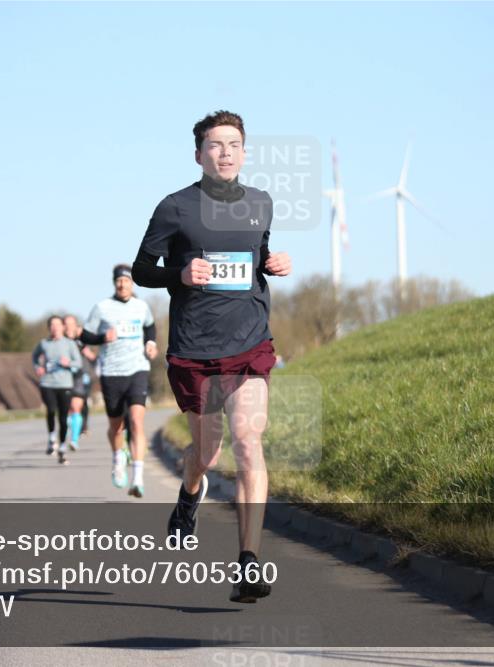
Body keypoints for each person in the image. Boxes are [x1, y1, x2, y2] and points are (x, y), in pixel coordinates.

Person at [132, 110, 291, 603]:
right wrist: (180, 275)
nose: (225, 152)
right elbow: (142, 269)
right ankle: (189, 494)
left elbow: (257, 256)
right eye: (216, 145)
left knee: (248, 441)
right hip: (195, 348)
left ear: (245, 152)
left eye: (234, 144)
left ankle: (248, 561)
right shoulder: (175, 207)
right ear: (199, 153)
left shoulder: (261, 203)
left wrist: (273, 262)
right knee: (207, 453)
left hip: (249, 341)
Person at [81, 265, 158, 497]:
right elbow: (84, 335)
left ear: (132, 283)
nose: (122, 284)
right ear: (114, 283)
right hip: (111, 372)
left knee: (136, 420)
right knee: (116, 426)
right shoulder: (102, 308)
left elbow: (150, 326)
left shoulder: (141, 306)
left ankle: (137, 477)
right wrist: (102, 337)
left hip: (137, 369)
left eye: (126, 281)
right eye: (119, 281)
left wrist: (151, 343)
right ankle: (118, 457)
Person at [32, 315, 83, 465]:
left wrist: (68, 363)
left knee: (63, 417)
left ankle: (62, 448)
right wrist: (38, 367)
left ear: (62, 327)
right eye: (52, 325)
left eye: (57, 325)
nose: (55, 328)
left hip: (65, 384)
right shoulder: (44, 343)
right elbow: (34, 357)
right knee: (51, 410)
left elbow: (78, 363)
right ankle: (52, 438)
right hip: (47, 383)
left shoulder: (69, 344)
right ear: (49, 328)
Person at [63, 314, 97, 451]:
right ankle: (70, 431)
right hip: (63, 377)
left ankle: (75, 439)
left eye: (71, 324)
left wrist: (88, 353)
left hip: (80, 376)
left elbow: (92, 356)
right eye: (66, 324)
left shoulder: (82, 340)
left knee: (78, 406)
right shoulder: (60, 341)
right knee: (67, 409)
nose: (68, 326)